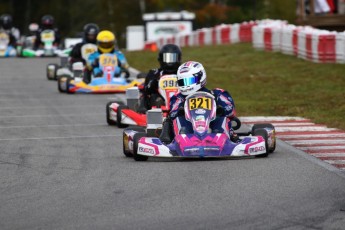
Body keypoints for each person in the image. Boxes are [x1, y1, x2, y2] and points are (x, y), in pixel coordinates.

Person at [159, 61, 238, 143]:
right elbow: (172, 115)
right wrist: (182, 109)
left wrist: (219, 108)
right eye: (182, 82)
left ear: (200, 77)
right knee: (180, 123)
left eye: (189, 81)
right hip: (188, 132)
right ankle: (180, 144)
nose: (186, 85)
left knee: (221, 121)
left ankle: (225, 142)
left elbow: (231, 111)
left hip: (214, 129)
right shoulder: (178, 98)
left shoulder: (217, 94)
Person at [137, 44, 182, 112]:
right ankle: (144, 111)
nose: (170, 62)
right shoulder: (155, 73)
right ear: (161, 59)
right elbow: (147, 89)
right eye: (167, 58)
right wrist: (155, 82)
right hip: (159, 105)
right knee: (152, 96)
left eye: (173, 58)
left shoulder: (183, 73)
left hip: (179, 103)